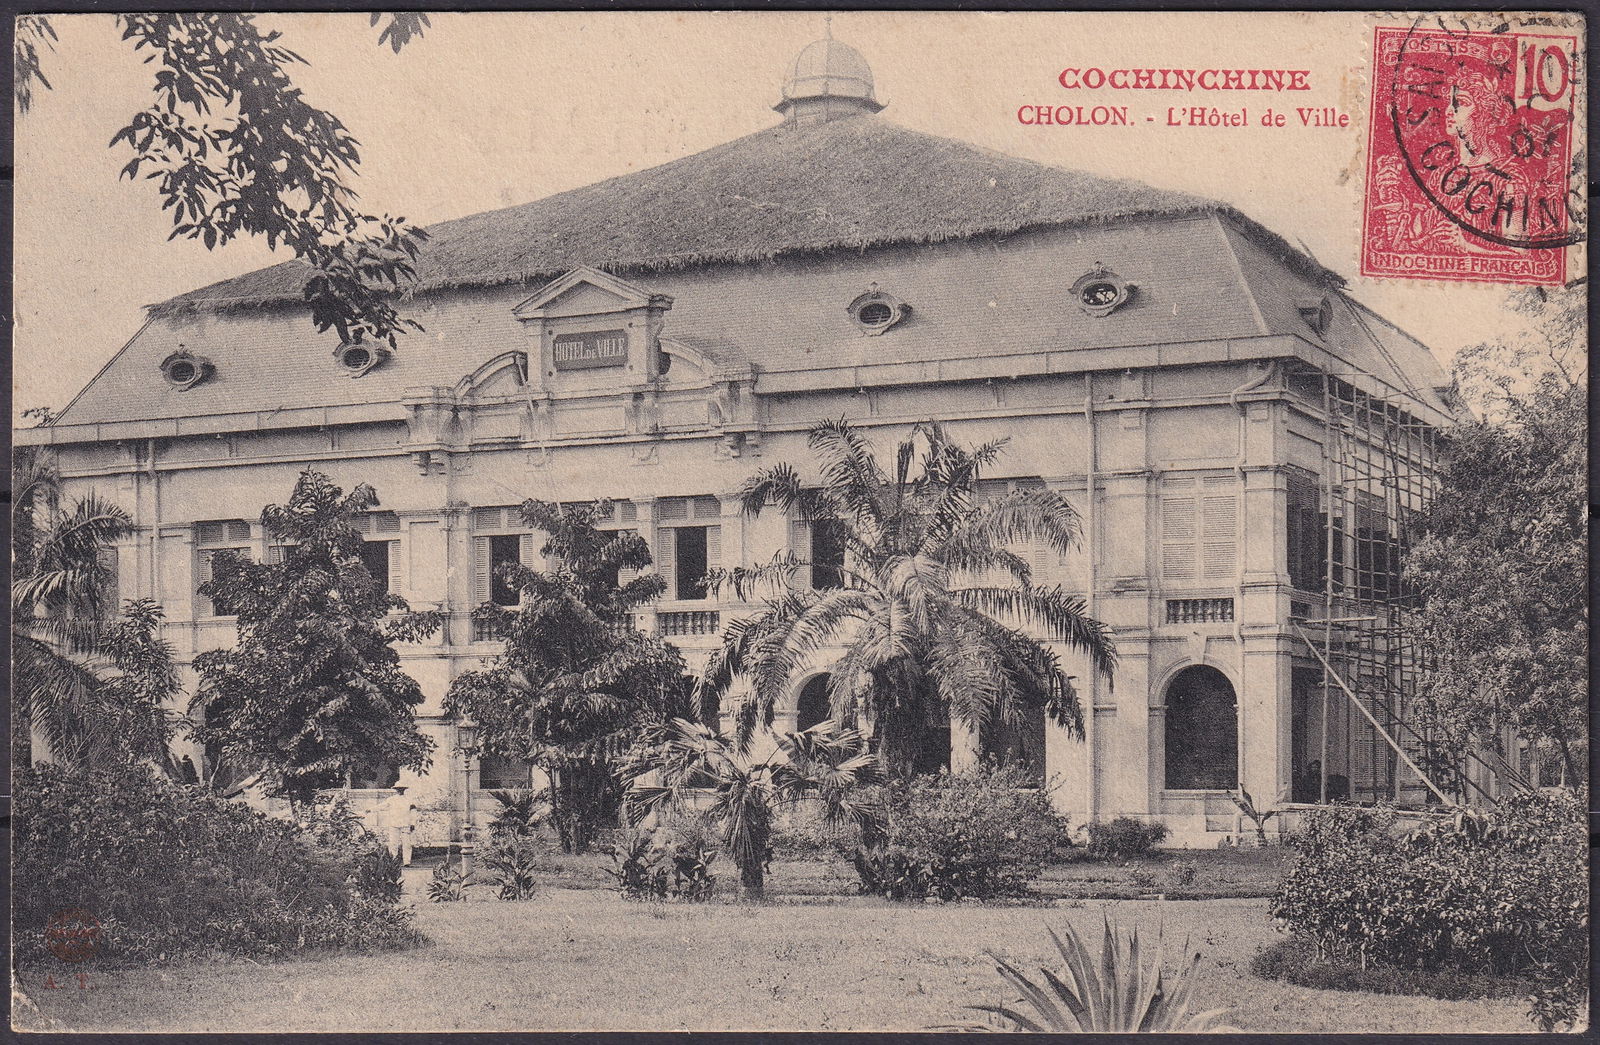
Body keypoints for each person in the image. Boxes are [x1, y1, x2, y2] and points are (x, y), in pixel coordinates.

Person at [382, 785, 418, 866]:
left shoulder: (409, 800)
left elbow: (413, 812)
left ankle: (407, 862)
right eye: (398, 789)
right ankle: (393, 861)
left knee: (407, 844)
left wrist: (413, 823)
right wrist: (370, 809)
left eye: (402, 789)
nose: (400, 790)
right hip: (394, 824)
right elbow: (382, 806)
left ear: (404, 790)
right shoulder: (391, 799)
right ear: (396, 790)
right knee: (393, 843)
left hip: (405, 824)